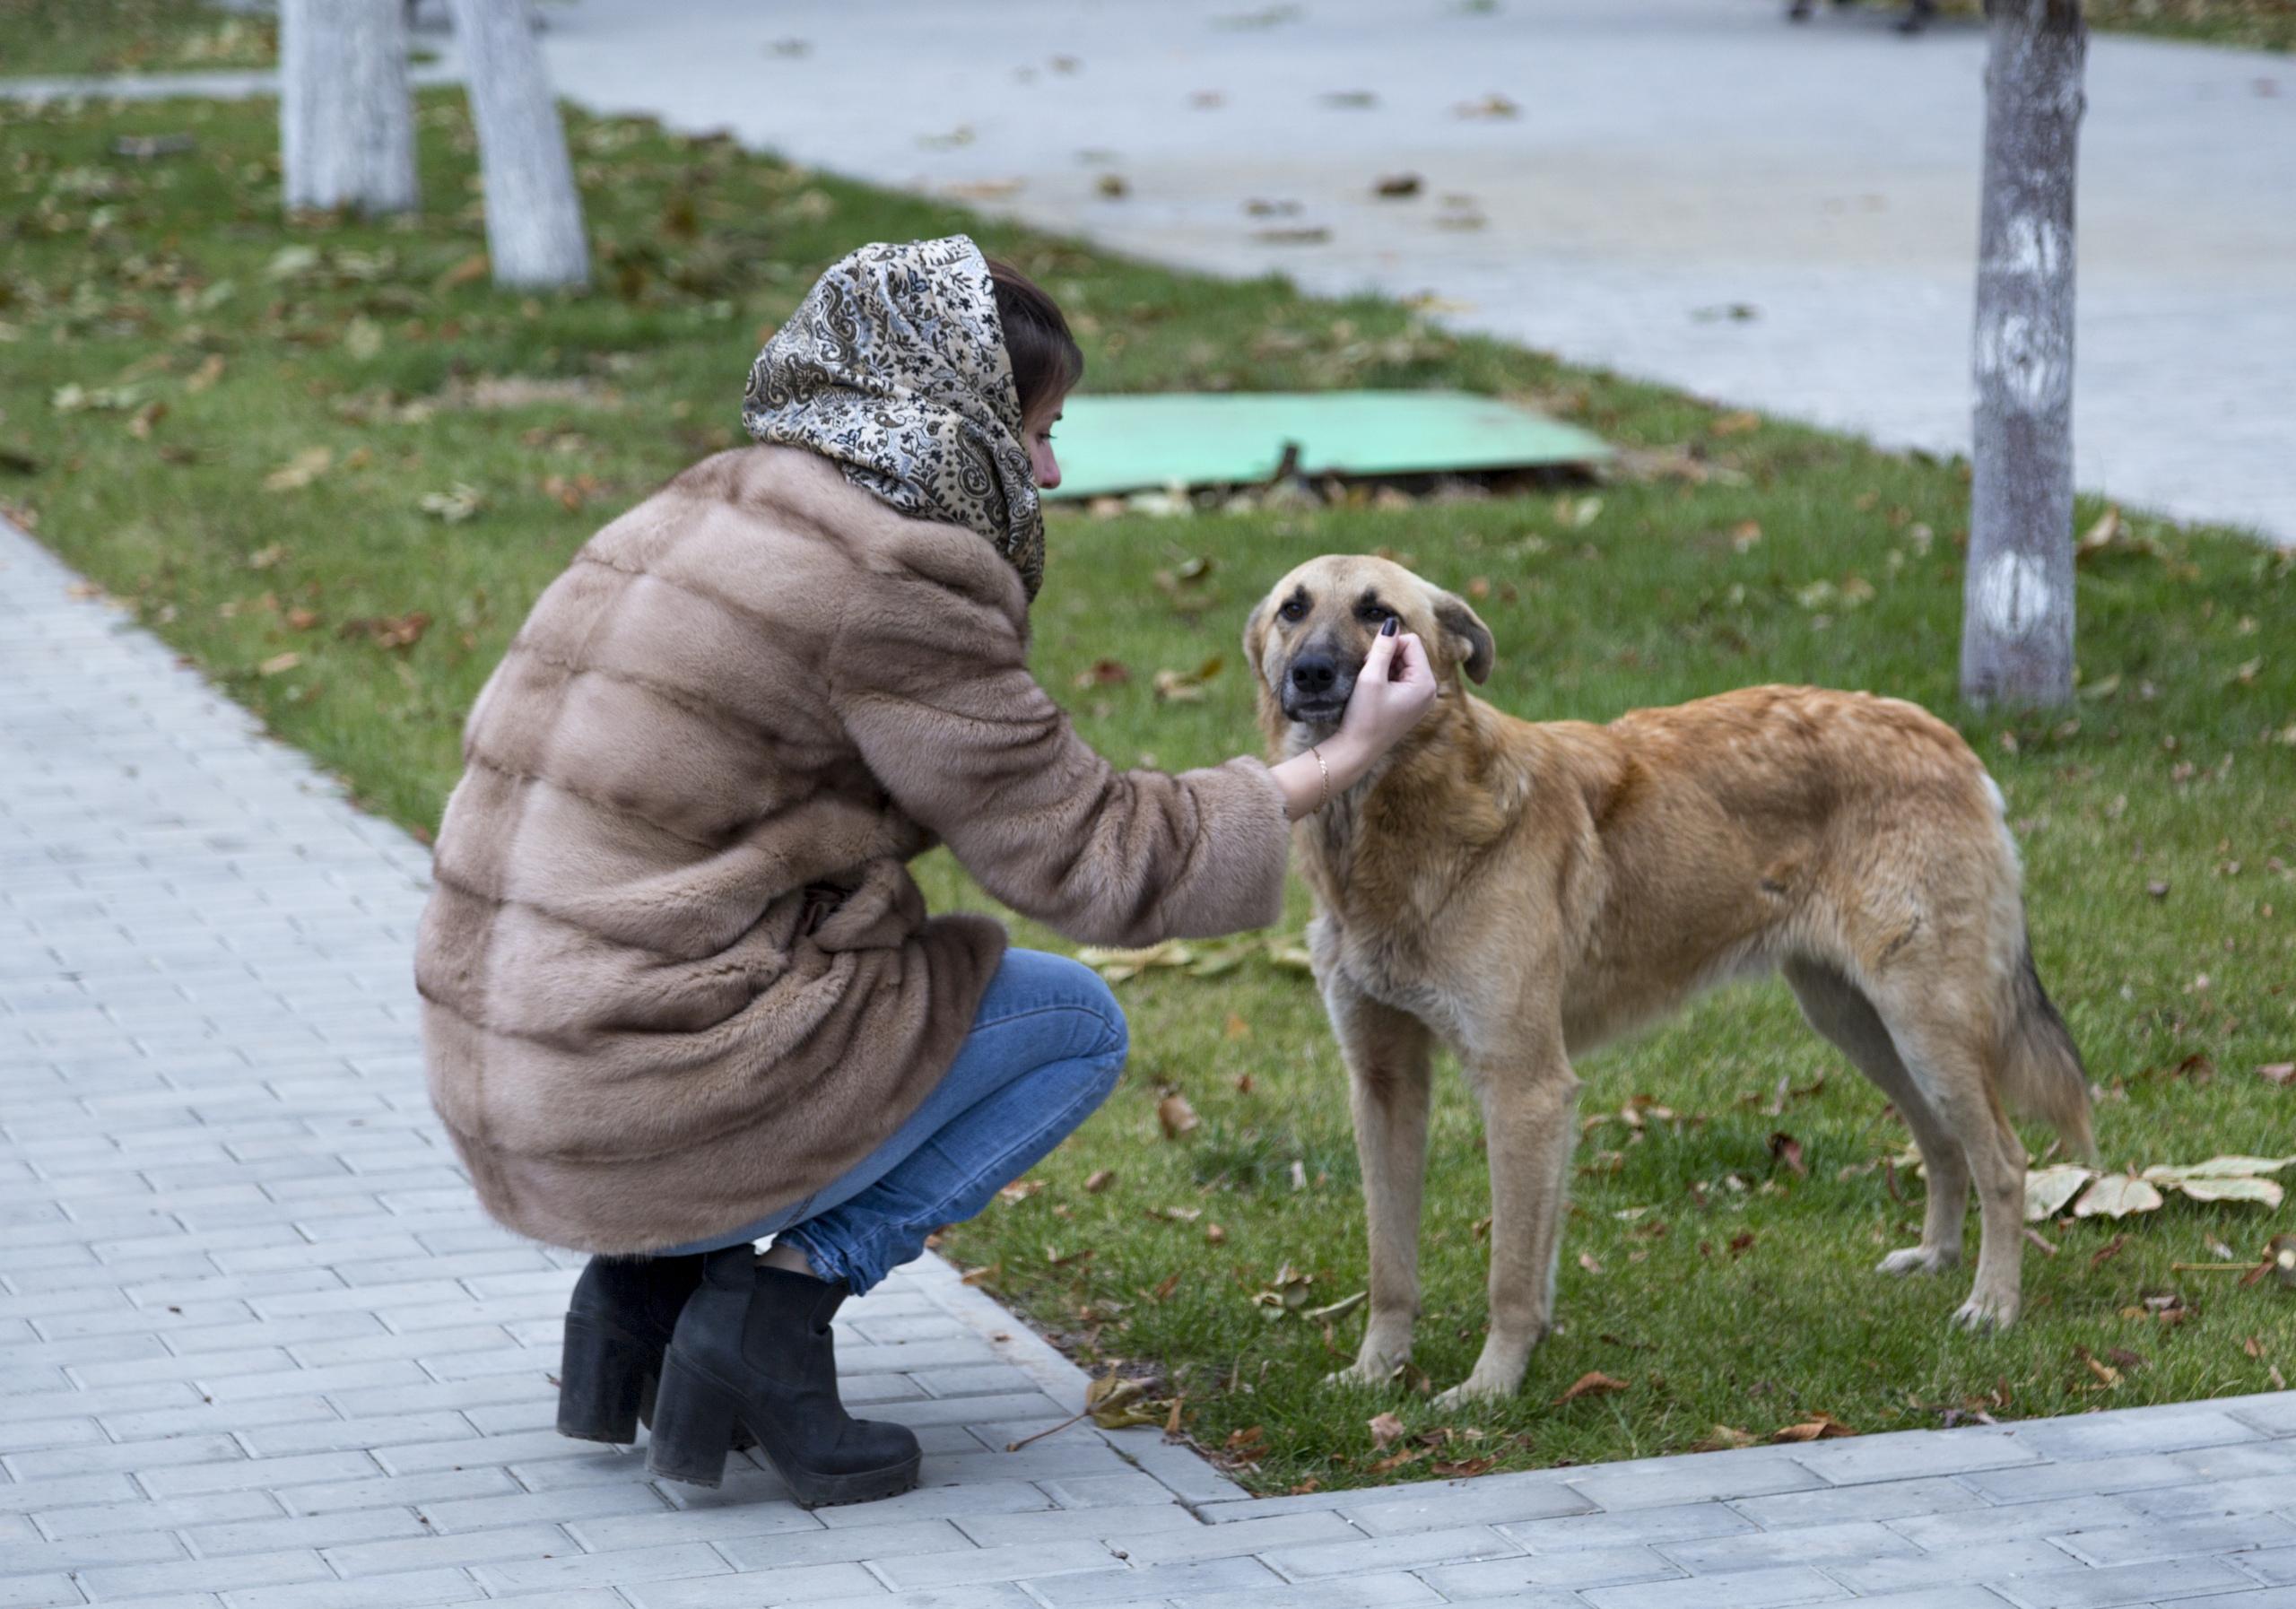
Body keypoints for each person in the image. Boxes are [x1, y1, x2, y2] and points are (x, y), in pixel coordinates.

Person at [413, 235, 1437, 1508]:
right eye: (1041, 431)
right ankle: (765, 1317)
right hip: (628, 1090)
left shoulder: (711, 500)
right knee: (1070, 1025)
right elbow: (1100, 856)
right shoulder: (895, 579)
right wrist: (1340, 760)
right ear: (963, 421)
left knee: (906, 966)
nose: (1054, 469)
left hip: (507, 1061)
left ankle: (641, 1294)